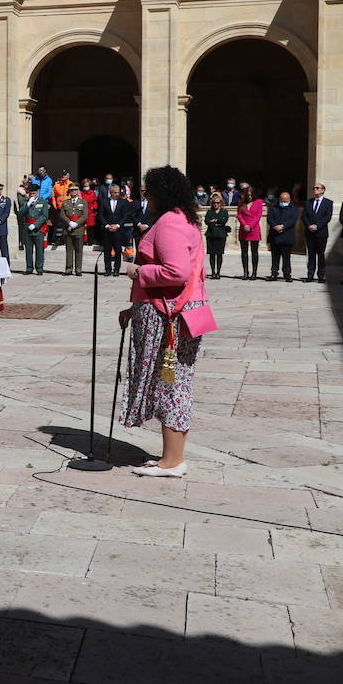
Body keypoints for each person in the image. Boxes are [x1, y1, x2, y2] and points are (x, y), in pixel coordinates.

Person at [122, 165, 212, 479]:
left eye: (146, 192)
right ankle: (171, 456)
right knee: (175, 382)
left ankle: (172, 461)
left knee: (170, 384)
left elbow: (176, 272)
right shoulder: (183, 219)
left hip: (168, 319)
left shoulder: (170, 223)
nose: (145, 198)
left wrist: (138, 272)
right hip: (175, 311)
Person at [301, 182, 332, 283]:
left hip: (321, 233)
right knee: (311, 254)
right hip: (310, 232)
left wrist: (317, 226)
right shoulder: (308, 202)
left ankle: (321, 276)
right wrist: (309, 225)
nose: (315, 189)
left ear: (323, 190)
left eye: (317, 188)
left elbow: (327, 217)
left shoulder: (328, 203)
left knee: (321, 255)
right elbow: (304, 216)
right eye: (314, 188)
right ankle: (310, 275)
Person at [97, 183, 130, 276]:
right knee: (107, 251)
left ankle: (116, 270)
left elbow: (125, 216)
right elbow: (101, 215)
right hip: (107, 230)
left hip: (118, 230)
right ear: (110, 192)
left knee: (118, 251)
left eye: (118, 192)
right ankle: (108, 270)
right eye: (115, 192)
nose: (117, 194)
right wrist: (107, 225)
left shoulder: (123, 202)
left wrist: (118, 225)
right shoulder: (104, 201)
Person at [265, 191, 298, 282]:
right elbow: (270, 218)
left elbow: (293, 220)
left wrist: (283, 226)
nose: (284, 202)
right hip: (275, 235)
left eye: (286, 200)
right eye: (282, 200)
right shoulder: (273, 208)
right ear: (279, 199)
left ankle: (287, 274)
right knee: (275, 256)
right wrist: (275, 226)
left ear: (289, 200)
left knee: (286, 256)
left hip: (287, 236)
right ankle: (274, 273)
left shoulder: (293, 209)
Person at [236, 187, 264, 280]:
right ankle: (245, 272)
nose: (249, 197)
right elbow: (239, 215)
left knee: (254, 251)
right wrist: (245, 225)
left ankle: (254, 273)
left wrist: (250, 226)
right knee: (244, 252)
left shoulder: (259, 202)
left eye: (251, 195)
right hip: (244, 229)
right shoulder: (241, 203)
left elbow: (258, 215)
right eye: (247, 195)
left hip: (254, 229)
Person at [20, 189, 50, 275]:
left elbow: (45, 216)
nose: (32, 195)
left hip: (38, 228)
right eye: (31, 193)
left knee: (39, 249)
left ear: (37, 193)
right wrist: (28, 204)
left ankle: (39, 268)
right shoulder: (27, 202)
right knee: (28, 250)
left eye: (34, 193)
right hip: (27, 228)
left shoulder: (43, 202)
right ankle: (29, 268)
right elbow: (20, 213)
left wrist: (36, 225)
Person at [61, 184, 87, 276]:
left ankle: (78, 269)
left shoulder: (83, 202)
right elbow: (62, 215)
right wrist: (69, 222)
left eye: (75, 190)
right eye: (71, 190)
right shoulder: (65, 202)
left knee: (79, 250)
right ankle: (68, 269)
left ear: (78, 191)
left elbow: (85, 215)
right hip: (68, 228)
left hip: (78, 228)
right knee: (69, 250)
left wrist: (76, 223)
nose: (73, 192)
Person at [203, 193, 231, 279]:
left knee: (219, 254)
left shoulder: (224, 211)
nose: (216, 204)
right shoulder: (210, 211)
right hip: (211, 235)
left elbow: (223, 221)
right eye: (214, 202)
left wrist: (215, 221)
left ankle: (218, 272)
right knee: (212, 254)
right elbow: (207, 221)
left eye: (218, 202)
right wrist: (217, 222)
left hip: (221, 235)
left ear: (221, 203)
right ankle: (213, 272)